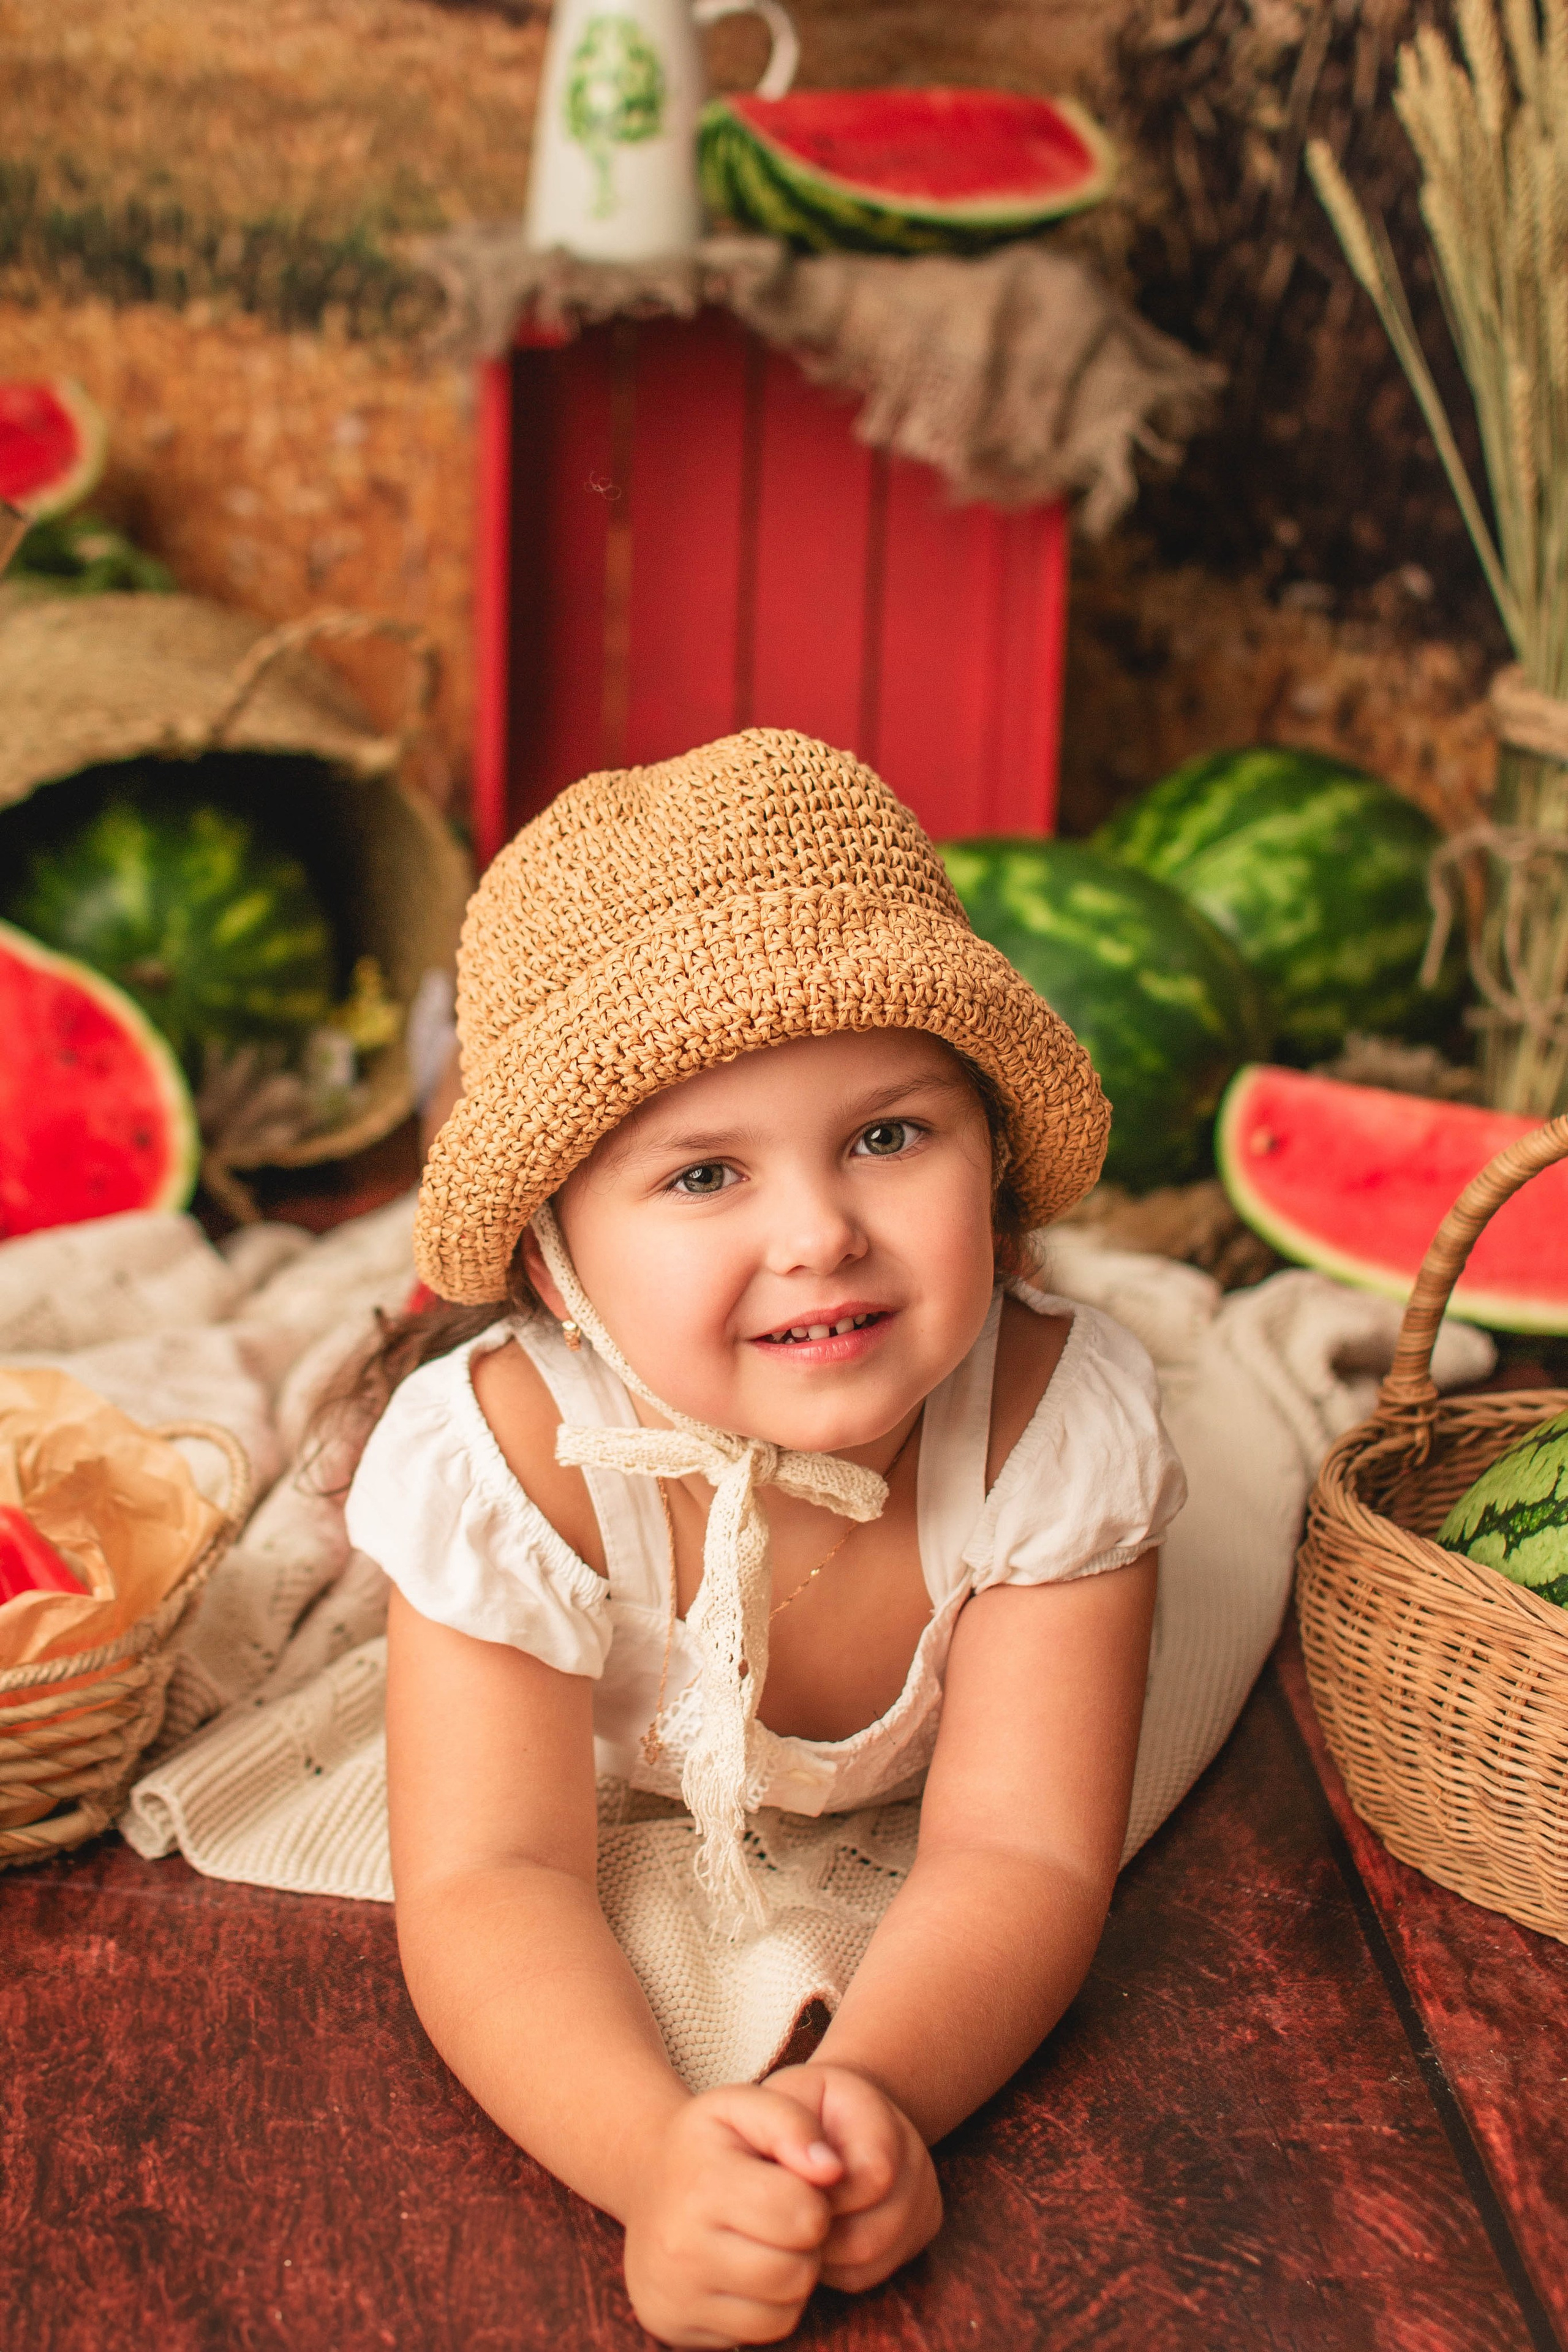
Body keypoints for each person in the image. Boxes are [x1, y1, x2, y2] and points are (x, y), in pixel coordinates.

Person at [343, 729, 1185, 2347]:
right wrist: (659, 2157)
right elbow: (489, 1877)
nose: (818, 1234)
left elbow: (1022, 1851)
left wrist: (871, 2096)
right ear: (553, 1256)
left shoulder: (1047, 1430)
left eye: (890, 1136)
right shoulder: (512, 1469)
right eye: (705, 1171)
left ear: (992, 1152)